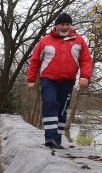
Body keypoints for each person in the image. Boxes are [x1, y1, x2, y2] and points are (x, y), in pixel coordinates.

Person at [27, 12, 92, 149]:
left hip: (67, 81)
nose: (65, 27)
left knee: (62, 109)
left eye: (68, 24)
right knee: (50, 103)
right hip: (48, 80)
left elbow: (86, 59)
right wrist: (31, 79)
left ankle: (57, 139)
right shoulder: (45, 41)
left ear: (71, 25)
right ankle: (50, 137)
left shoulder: (79, 41)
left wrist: (85, 76)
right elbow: (35, 61)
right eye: (62, 24)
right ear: (56, 26)